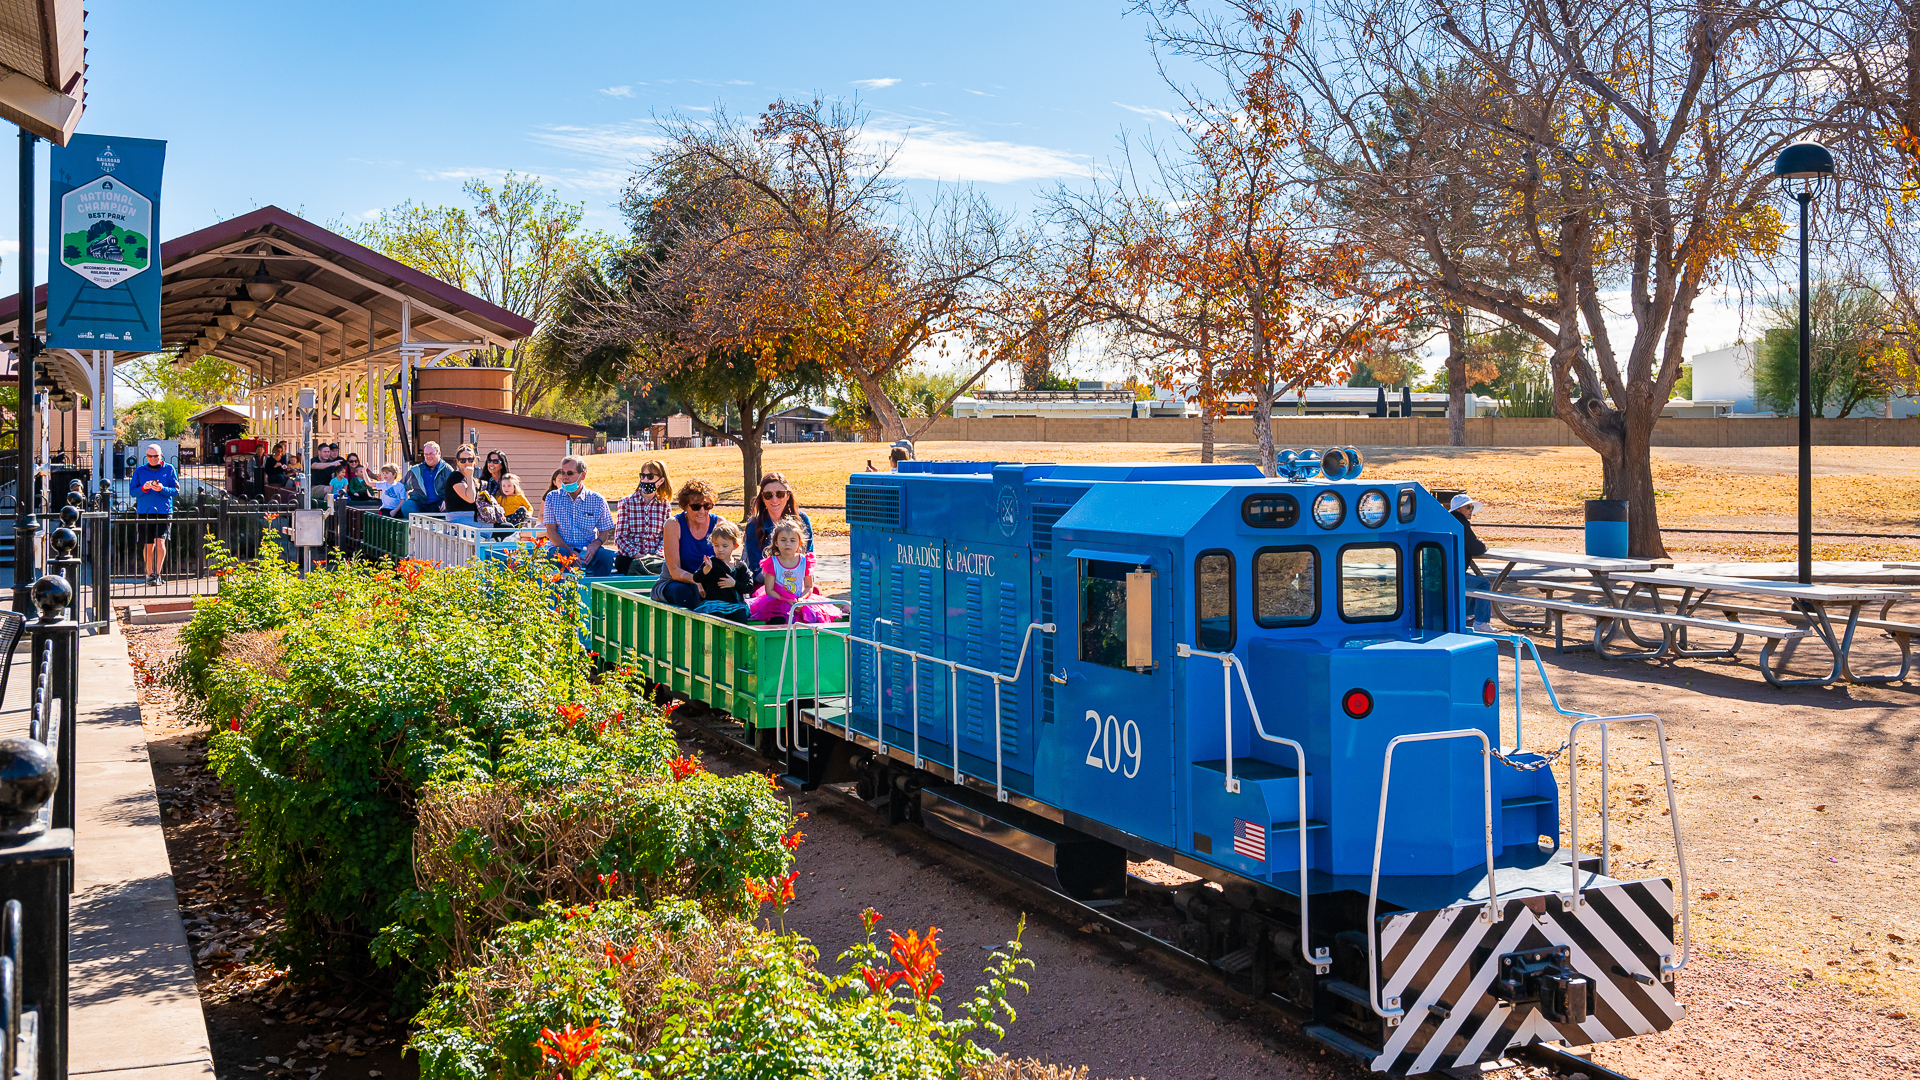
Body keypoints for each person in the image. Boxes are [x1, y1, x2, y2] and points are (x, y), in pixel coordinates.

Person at [749, 518, 841, 623]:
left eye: (792, 540)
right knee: (778, 619)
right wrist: (786, 600)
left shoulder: (805, 562)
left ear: (799, 543)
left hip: (800, 600)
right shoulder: (772, 563)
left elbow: (808, 586)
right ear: (776, 543)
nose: (788, 543)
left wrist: (801, 600)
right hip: (779, 601)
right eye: (783, 540)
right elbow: (769, 590)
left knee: (813, 618)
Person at [543, 455, 617, 575]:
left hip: (586, 550)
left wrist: (595, 545)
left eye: (570, 473)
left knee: (605, 556)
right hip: (562, 549)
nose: (565, 477)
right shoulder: (552, 497)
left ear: (583, 475)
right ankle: (558, 592)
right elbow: (551, 532)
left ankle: (598, 591)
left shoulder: (597, 500)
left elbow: (604, 532)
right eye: (563, 472)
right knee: (557, 554)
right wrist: (570, 552)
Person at [658, 479, 726, 608]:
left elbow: (727, 561)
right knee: (685, 592)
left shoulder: (719, 523)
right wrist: (697, 580)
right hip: (676, 581)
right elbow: (674, 571)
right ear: (685, 506)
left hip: (708, 579)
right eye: (696, 507)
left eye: (707, 506)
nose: (702, 511)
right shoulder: (673, 524)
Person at [741, 471, 812, 588]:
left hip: (798, 581)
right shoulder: (754, 525)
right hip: (765, 584)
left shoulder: (802, 520)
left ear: (788, 495)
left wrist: (796, 584)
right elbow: (755, 568)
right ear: (763, 498)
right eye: (768, 495)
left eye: (780, 494)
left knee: (815, 594)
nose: (774, 499)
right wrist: (782, 584)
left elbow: (809, 558)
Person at [128, 443, 179, 587]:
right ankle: (149, 574)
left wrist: (162, 488)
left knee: (160, 541)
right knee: (148, 543)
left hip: (164, 510)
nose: (153, 459)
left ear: (161, 455)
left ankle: (158, 573)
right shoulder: (139, 470)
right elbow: (133, 492)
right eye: (150, 456)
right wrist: (144, 488)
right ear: (146, 457)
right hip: (145, 511)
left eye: (156, 456)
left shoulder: (169, 469)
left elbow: (175, 491)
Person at [613, 460, 673, 575]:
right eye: (643, 476)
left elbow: (666, 537)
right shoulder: (626, 503)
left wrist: (655, 555)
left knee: (665, 565)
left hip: (656, 558)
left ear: (661, 481)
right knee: (624, 562)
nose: (645, 480)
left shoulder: (664, 505)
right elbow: (620, 538)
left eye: (650, 477)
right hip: (631, 557)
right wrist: (637, 554)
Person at [689, 520, 752, 620]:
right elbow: (696, 578)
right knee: (718, 618)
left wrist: (735, 584)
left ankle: (738, 636)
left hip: (735, 605)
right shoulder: (711, 563)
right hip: (714, 605)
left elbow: (749, 586)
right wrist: (705, 570)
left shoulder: (739, 565)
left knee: (741, 616)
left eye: (725, 546)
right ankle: (717, 636)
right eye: (716, 545)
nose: (720, 549)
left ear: (735, 546)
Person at [1450, 493, 1493, 632]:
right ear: (1458, 510)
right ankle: (1481, 622)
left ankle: (1466, 614)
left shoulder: (1450, 523)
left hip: (1446, 571)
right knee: (1483, 583)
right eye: (1468, 507)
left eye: (1471, 507)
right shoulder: (1462, 525)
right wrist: (1483, 545)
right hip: (1454, 574)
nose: (1471, 510)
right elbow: (1475, 548)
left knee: (1469, 582)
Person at [399, 441, 452, 517]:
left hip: (439, 505)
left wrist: (447, 500)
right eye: (426, 454)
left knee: (451, 507)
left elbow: (455, 490)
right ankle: (418, 526)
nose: (429, 456)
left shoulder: (447, 469)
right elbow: (401, 487)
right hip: (420, 503)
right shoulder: (415, 470)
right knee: (407, 505)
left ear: (439, 453)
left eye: (431, 453)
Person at [444, 444, 481, 515]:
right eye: (463, 460)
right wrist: (469, 476)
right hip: (459, 519)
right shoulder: (455, 476)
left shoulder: (472, 479)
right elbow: (470, 499)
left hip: (473, 518)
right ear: (457, 462)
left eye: (470, 460)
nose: (467, 462)